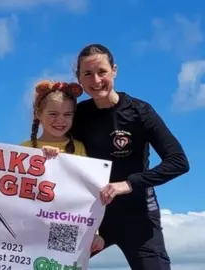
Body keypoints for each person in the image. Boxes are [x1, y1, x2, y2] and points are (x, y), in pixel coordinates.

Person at [71, 43, 190, 270]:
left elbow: (178, 161)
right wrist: (49, 151)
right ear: (79, 78)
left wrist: (128, 183)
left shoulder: (139, 111)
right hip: (90, 215)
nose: (96, 81)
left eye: (102, 72)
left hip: (138, 214)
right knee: (44, 262)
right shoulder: (79, 115)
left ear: (114, 70)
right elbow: (54, 140)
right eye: (88, 74)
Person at [20, 79, 105, 253]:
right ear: (38, 113)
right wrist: (42, 159)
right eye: (53, 113)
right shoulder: (24, 149)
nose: (60, 120)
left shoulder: (79, 148)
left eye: (67, 114)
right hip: (28, 228)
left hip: (65, 225)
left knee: (55, 263)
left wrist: (93, 232)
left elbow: (89, 194)